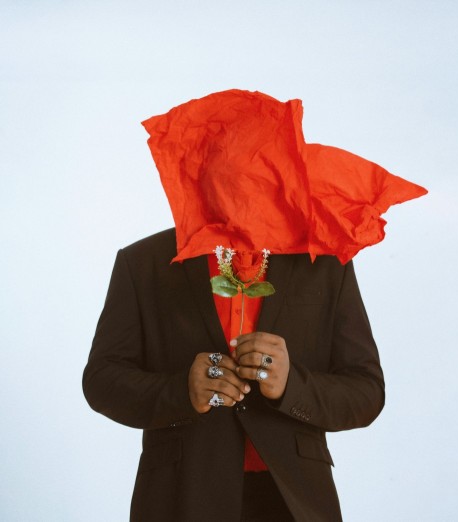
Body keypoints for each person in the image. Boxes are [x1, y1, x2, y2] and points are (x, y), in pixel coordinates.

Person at [83, 89, 425, 521]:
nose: (242, 181)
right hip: (180, 497)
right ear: (200, 167)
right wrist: (179, 390)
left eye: (259, 168)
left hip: (294, 499)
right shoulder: (144, 264)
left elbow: (366, 392)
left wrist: (291, 385)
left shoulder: (323, 264)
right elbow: (102, 380)